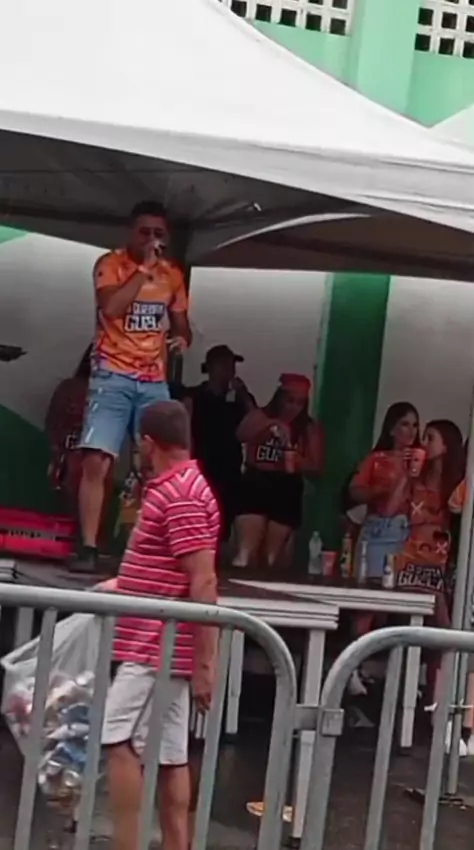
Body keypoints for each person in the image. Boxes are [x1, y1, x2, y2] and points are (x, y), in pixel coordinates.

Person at [101, 401, 219, 850]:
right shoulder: (181, 486)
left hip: (154, 644)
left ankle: (127, 844)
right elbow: (173, 568)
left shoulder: (180, 494)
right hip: (162, 642)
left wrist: (206, 663)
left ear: (149, 444)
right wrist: (124, 583)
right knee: (170, 757)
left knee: (117, 738)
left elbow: (202, 579)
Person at [73, 201, 192, 573]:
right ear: (131, 232)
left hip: (152, 378)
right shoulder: (111, 264)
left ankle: (154, 549)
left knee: (164, 462)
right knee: (97, 458)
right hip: (112, 374)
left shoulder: (172, 274)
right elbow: (111, 308)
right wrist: (143, 270)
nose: (152, 239)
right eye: (145, 232)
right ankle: (88, 547)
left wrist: (183, 339)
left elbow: (182, 323)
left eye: (159, 233)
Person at [232, 373, 323, 568]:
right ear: (280, 398)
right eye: (290, 401)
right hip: (256, 480)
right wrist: (271, 425)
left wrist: (296, 459)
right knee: (246, 551)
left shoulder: (307, 428)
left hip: (286, 485)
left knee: (271, 556)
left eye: (300, 403)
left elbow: (316, 467)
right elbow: (240, 435)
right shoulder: (260, 416)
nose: (293, 407)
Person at [184, 345, 255, 541]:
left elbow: (256, 422)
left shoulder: (237, 399)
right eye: (224, 365)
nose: (230, 371)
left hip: (229, 469)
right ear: (211, 368)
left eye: (231, 366)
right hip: (202, 465)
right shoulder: (194, 396)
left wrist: (243, 394)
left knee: (223, 521)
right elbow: (184, 429)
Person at [45, 346, 114, 541]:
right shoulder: (70, 388)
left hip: (100, 456)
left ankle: (90, 545)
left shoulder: (115, 393)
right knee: (71, 506)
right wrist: (57, 456)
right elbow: (53, 422)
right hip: (73, 454)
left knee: (98, 509)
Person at [349, 402, 421, 580]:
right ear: (391, 429)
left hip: (410, 530)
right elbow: (354, 491)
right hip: (379, 528)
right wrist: (376, 491)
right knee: (371, 583)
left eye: (415, 425)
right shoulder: (376, 459)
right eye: (405, 424)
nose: (411, 431)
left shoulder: (422, 460)